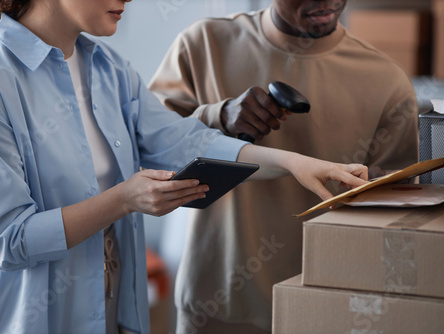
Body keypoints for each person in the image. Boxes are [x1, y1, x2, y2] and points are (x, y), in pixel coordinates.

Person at [0, 0, 370, 333]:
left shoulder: (108, 69)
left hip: (107, 314)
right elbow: (7, 241)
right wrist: (124, 199)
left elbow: (186, 140)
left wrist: (296, 164)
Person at [149, 0, 419, 333]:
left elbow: (403, 210)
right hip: (216, 305)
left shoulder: (387, 80)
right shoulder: (202, 44)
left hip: (328, 307)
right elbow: (148, 151)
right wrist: (217, 116)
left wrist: (375, 190)